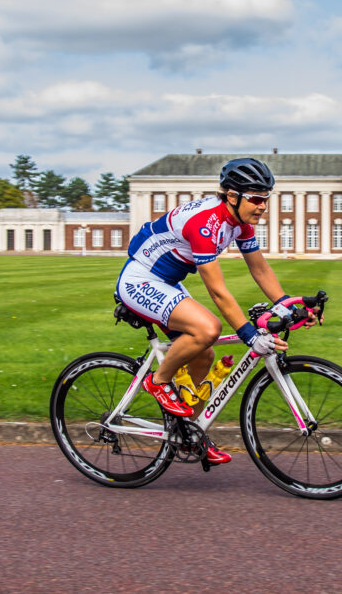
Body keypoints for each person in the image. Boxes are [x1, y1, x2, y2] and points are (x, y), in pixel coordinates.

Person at [115, 157, 296, 464]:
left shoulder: (239, 222)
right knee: (208, 329)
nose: (263, 205)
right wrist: (249, 335)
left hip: (166, 281)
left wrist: (289, 304)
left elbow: (260, 268)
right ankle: (157, 382)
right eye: (256, 198)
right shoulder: (206, 222)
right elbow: (217, 291)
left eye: (266, 198)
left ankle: (188, 433)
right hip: (140, 279)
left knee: (205, 353)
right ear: (232, 196)